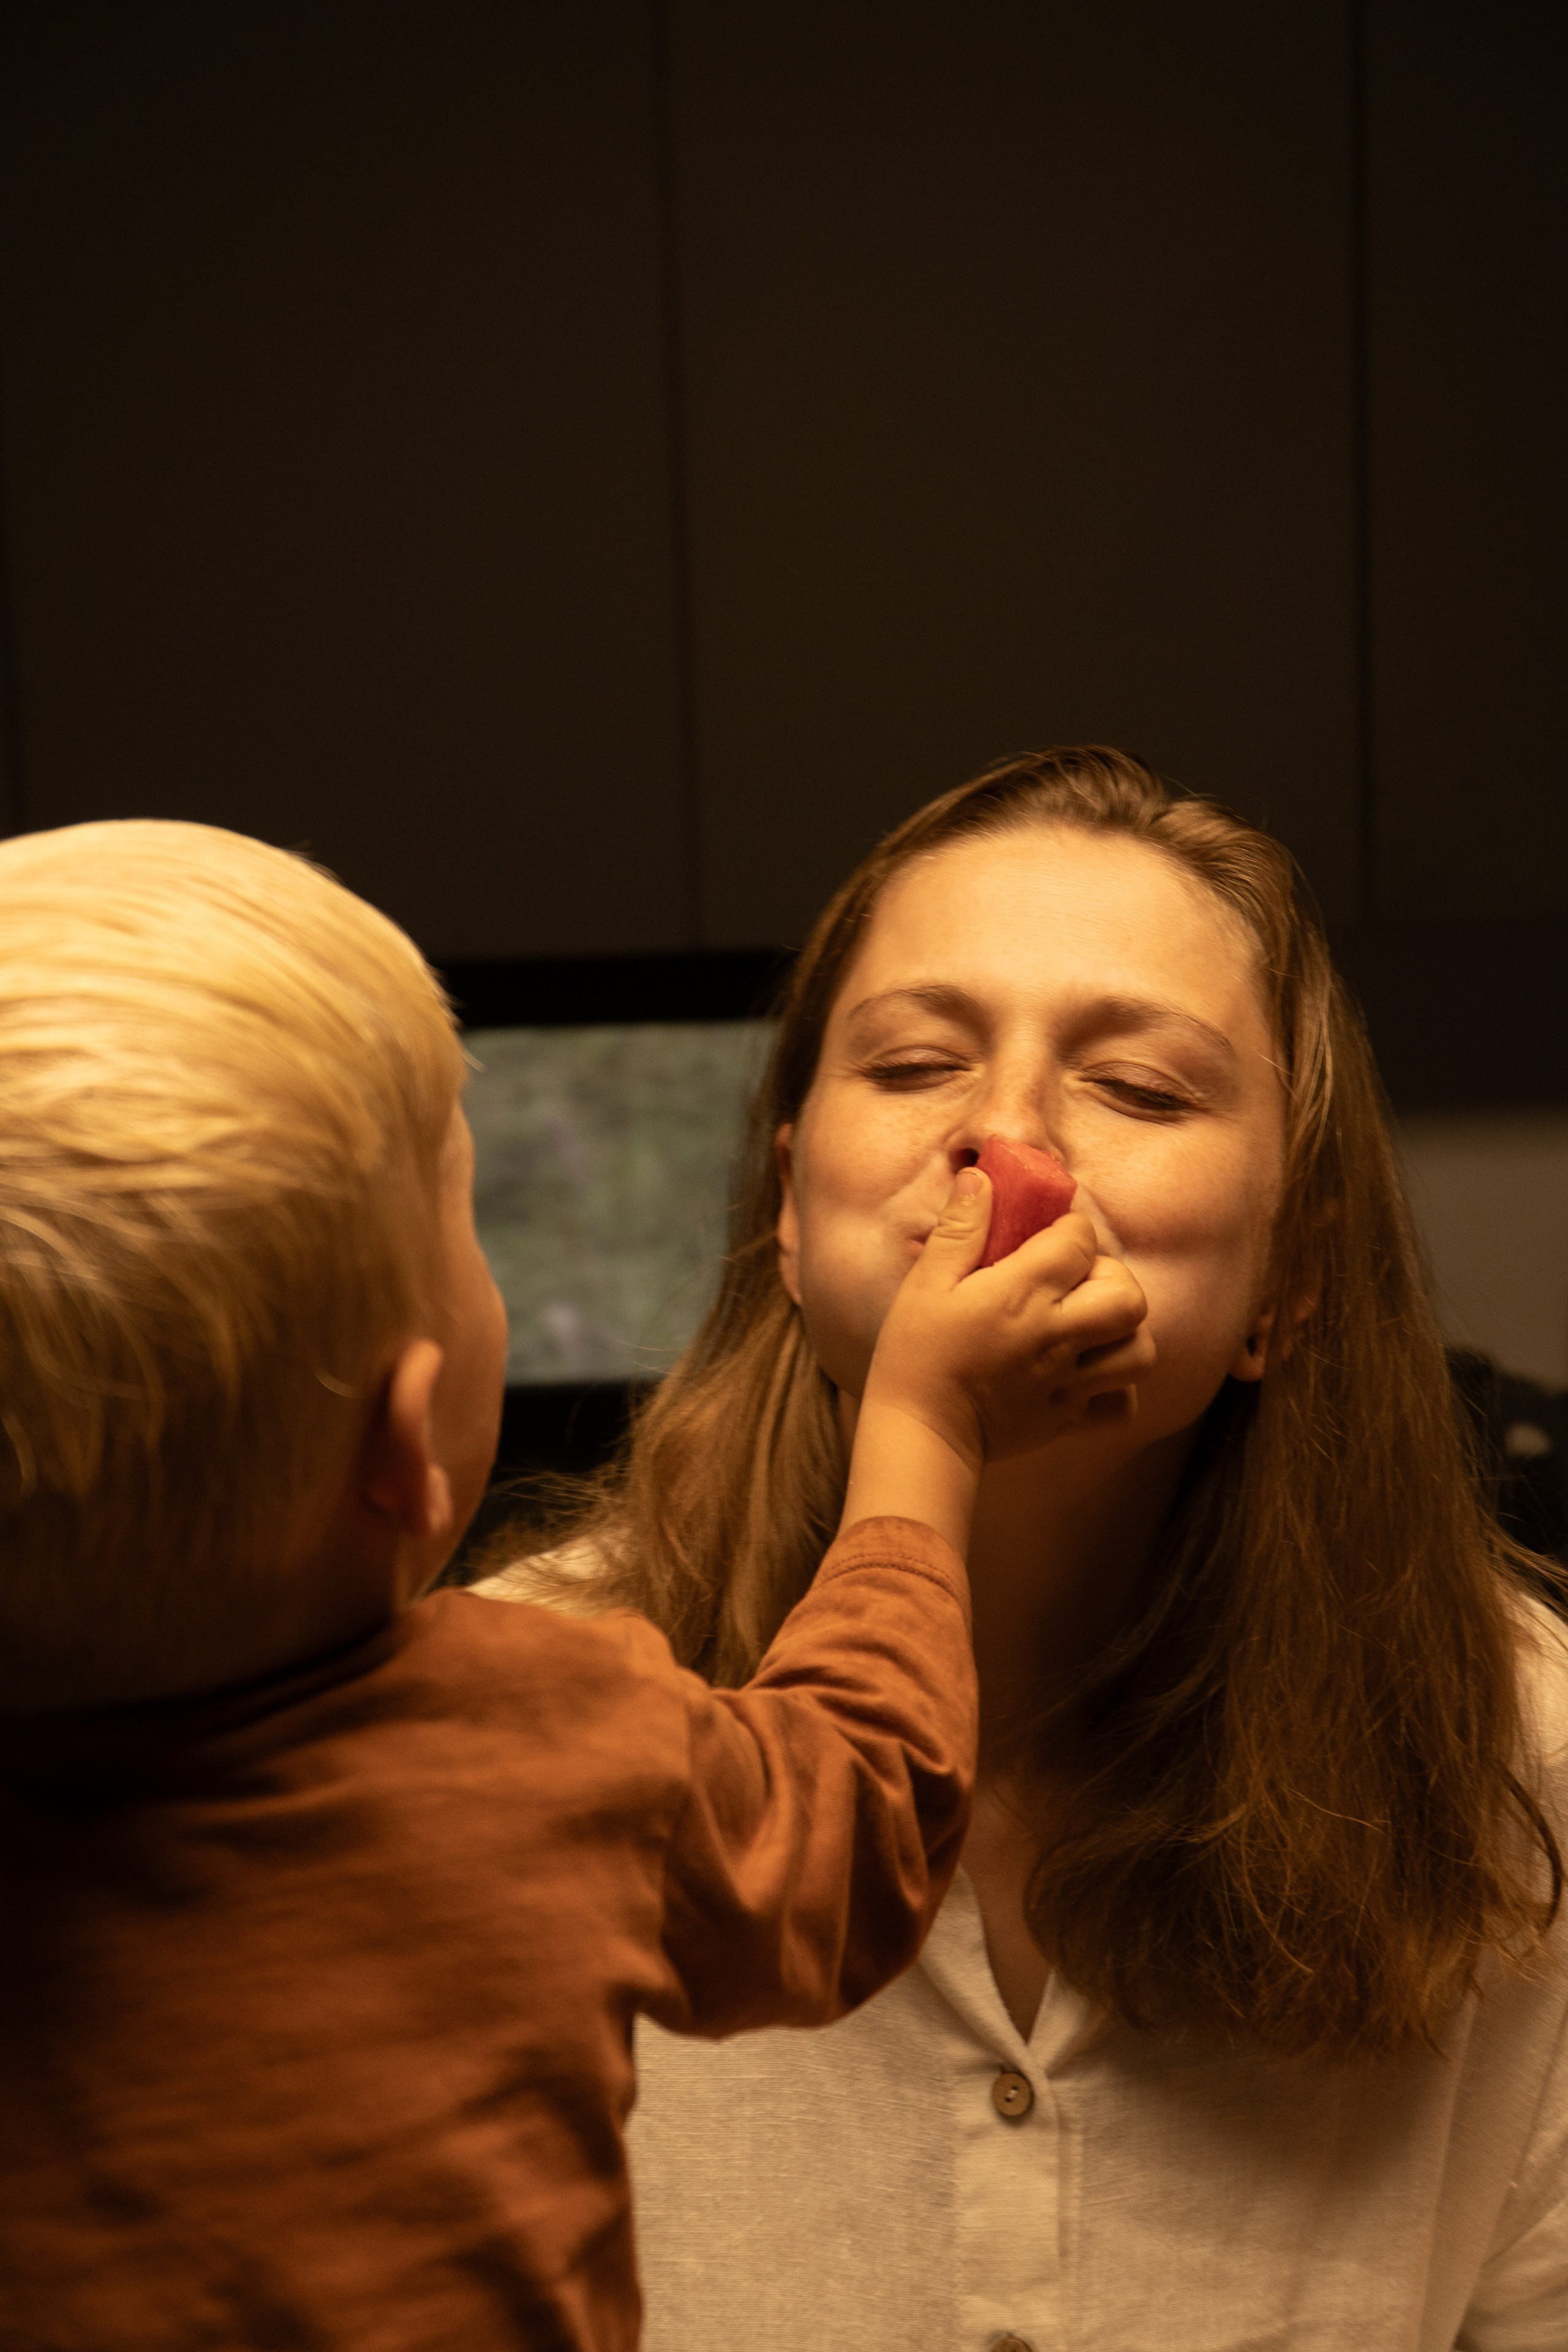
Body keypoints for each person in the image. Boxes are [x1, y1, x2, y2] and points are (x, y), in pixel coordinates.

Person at [0, 816, 1152, 2352]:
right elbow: (857, 1817)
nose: (1002, 1134)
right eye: (463, 1226)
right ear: (408, 1448)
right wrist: (924, 1423)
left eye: (1140, 1088)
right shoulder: (543, 1740)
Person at [481, 747, 1568, 2351]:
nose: (1005, 1145)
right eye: (916, 1065)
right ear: (789, 1211)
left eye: (1140, 1089)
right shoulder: (509, 1724)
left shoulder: (1525, 1763)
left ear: (1294, 1276)